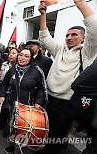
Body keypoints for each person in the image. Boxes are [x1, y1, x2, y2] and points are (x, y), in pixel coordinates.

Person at [38, 0, 97, 153]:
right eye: (67, 35)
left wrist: (80, 3)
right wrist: (43, 15)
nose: (69, 37)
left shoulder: (87, 52)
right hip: (48, 98)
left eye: (74, 35)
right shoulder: (59, 49)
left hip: (66, 103)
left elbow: (94, 28)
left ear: (83, 38)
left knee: (57, 136)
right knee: (44, 130)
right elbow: (44, 38)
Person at [0, 47, 48, 153]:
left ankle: (23, 148)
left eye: (26, 56)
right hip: (13, 105)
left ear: (31, 59)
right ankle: (13, 146)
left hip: (28, 106)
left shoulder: (36, 72)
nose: (22, 58)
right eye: (21, 55)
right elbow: (4, 84)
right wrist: (2, 95)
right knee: (13, 126)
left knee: (24, 129)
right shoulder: (12, 69)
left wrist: (38, 103)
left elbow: (41, 89)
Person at [0, 47, 19, 136]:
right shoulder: (4, 64)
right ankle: (1, 124)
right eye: (10, 53)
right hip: (4, 90)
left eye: (13, 53)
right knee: (3, 109)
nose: (11, 55)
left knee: (11, 111)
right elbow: (2, 80)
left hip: (13, 92)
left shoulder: (18, 67)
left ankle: (8, 129)